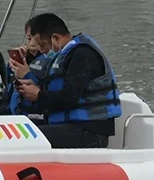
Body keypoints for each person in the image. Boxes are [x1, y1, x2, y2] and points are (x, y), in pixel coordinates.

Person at [15, 13, 121, 148]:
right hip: (68, 125)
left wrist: (39, 95)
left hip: (90, 132)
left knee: (28, 137)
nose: (42, 51)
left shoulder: (82, 55)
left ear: (55, 38)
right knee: (18, 129)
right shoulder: (65, 56)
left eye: (43, 45)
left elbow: (69, 97)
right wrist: (36, 87)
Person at [6, 16, 50, 116]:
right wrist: (10, 66)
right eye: (29, 39)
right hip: (14, 111)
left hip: (35, 114)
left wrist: (27, 74)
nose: (32, 44)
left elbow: (48, 91)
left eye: (36, 40)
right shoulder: (24, 58)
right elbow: (6, 82)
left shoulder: (50, 60)